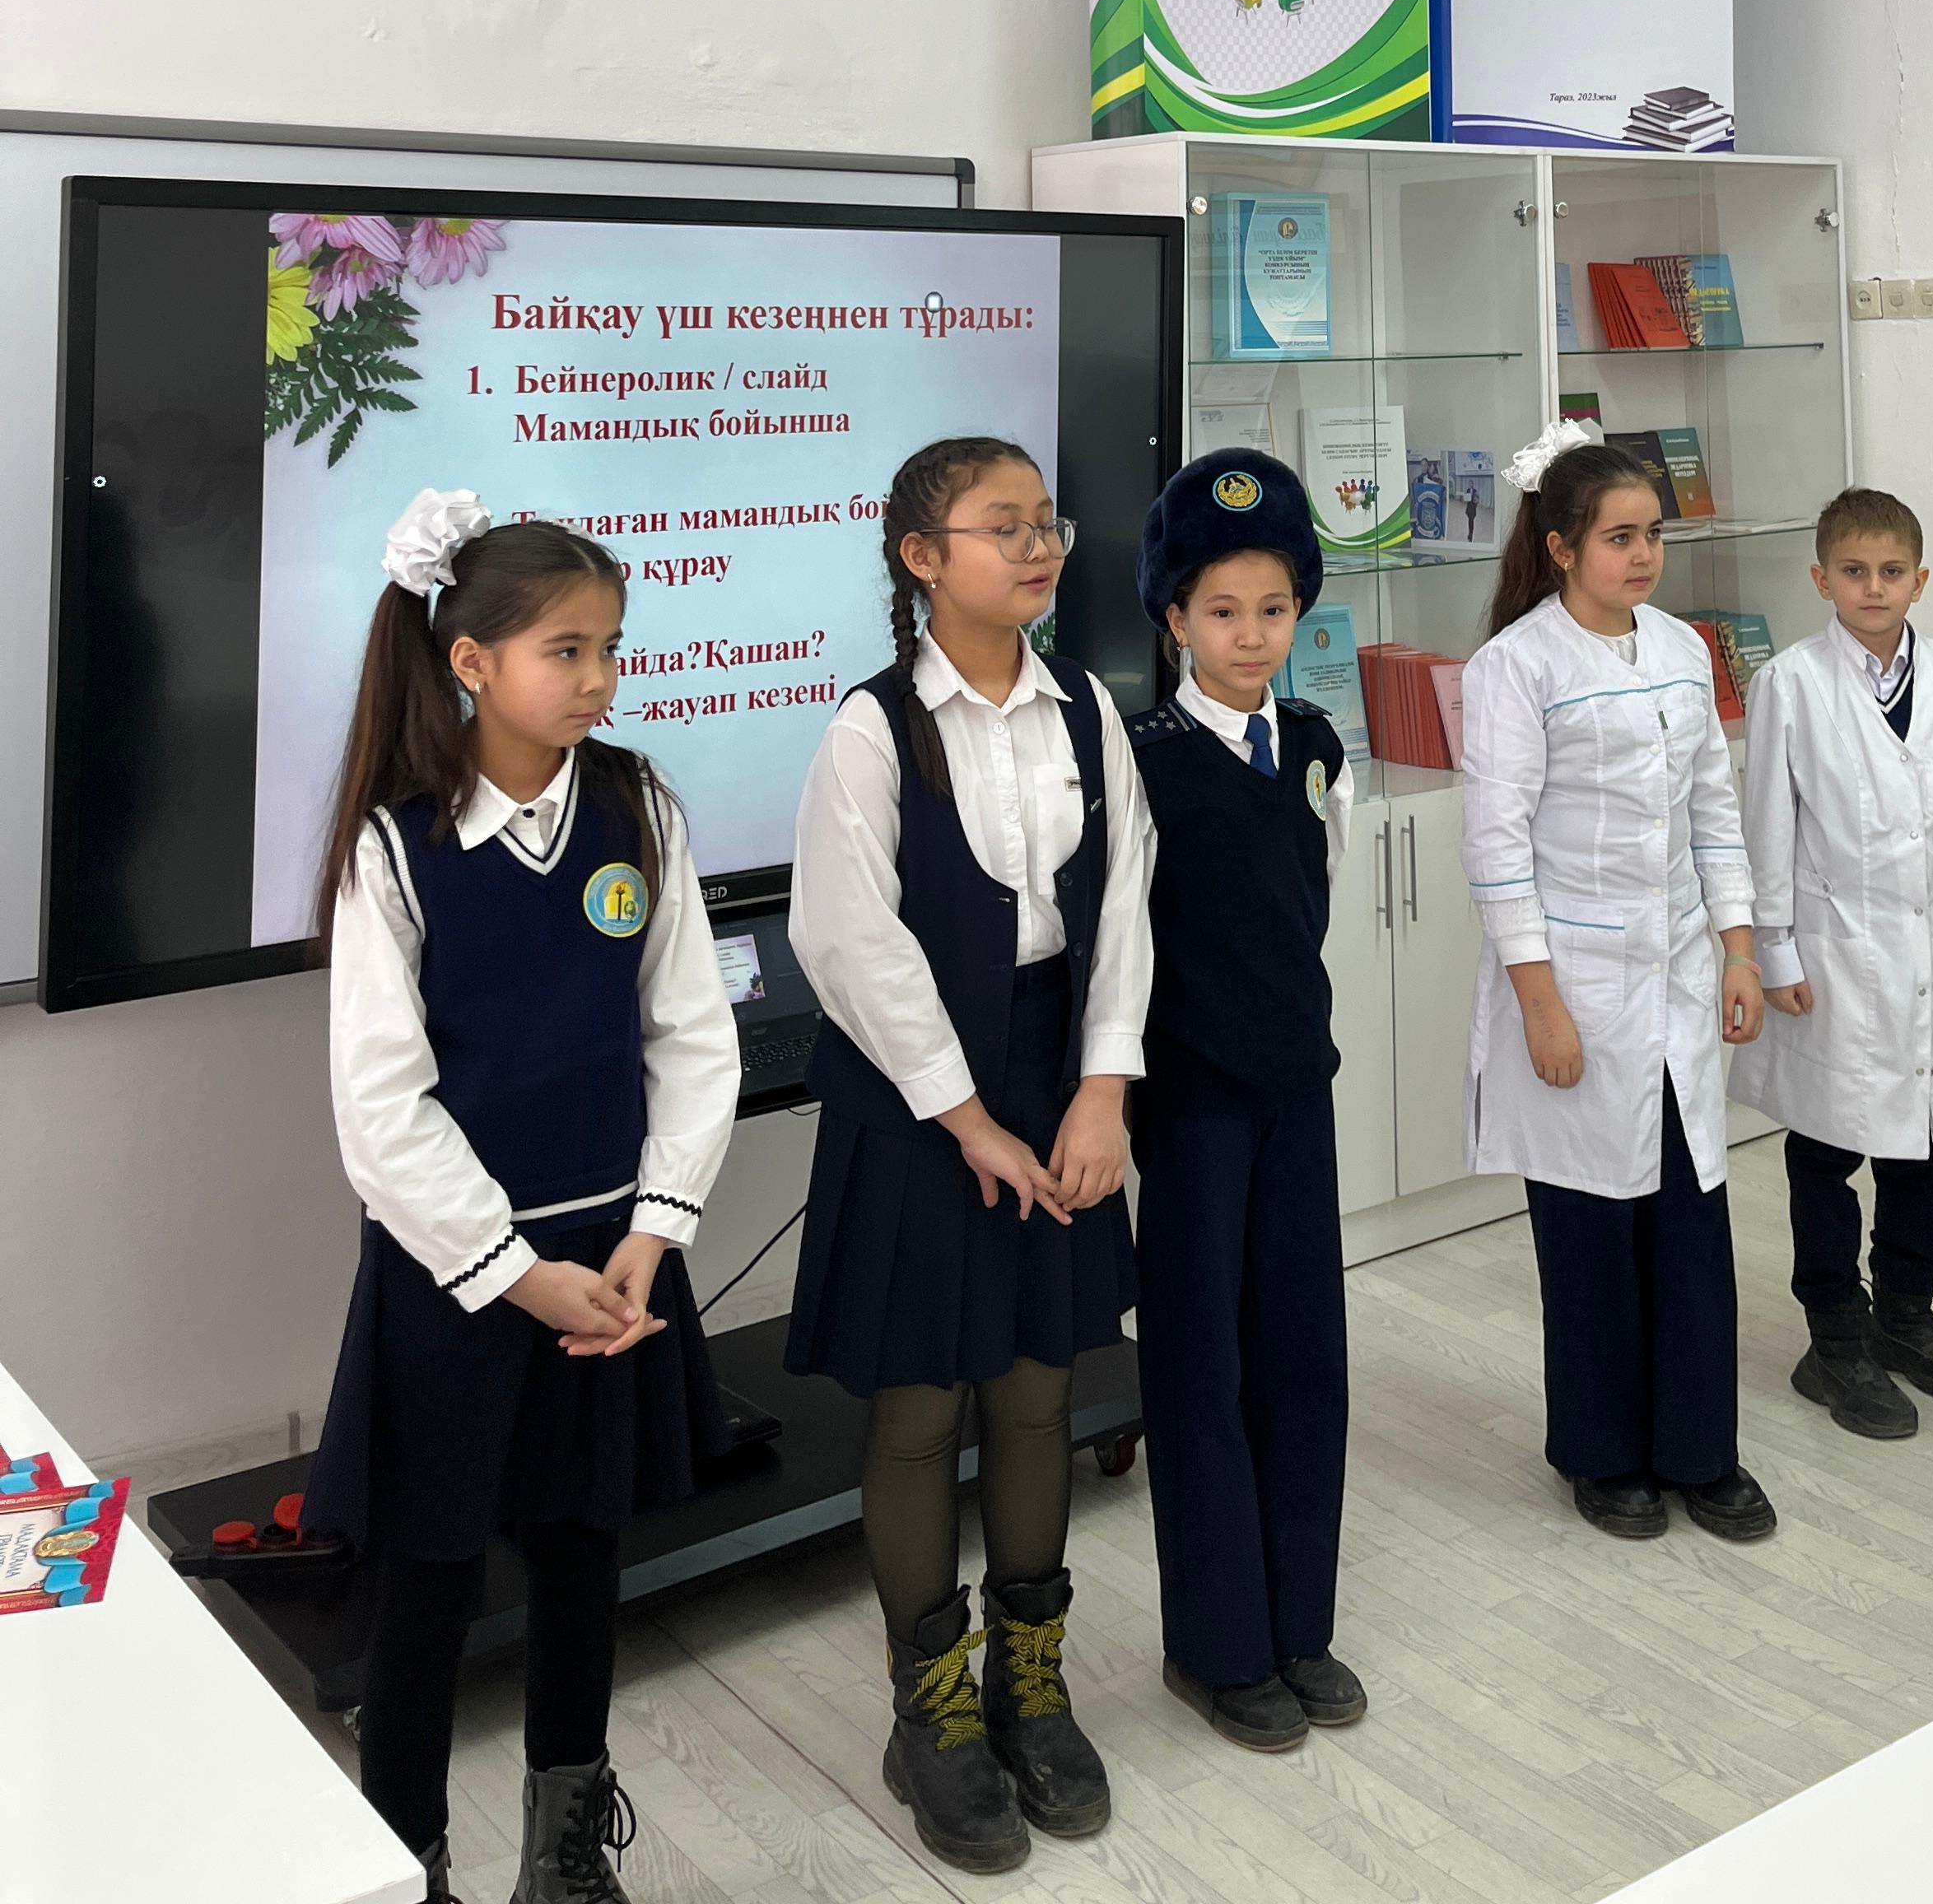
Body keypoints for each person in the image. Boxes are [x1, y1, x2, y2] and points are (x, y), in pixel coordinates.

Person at [306, 492, 740, 1904]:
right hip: (459, 1277)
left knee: (578, 1551)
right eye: (567, 649)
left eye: (611, 646)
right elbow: (383, 1109)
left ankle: (566, 1849)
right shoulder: (394, 845)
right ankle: (409, 1858)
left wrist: (651, 1234)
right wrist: (512, 1271)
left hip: (610, 1264)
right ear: (471, 660)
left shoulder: (637, 806)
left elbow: (693, 1035)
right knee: (429, 1578)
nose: (599, 677)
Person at [785, 436, 1150, 1875]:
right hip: (916, 1100)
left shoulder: (1087, 712)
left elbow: (1126, 906)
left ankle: (1029, 1688)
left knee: (1039, 1385)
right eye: (1003, 526)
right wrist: (964, 1115)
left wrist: (1103, 1089)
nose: (1038, 544)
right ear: (922, 557)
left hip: (1059, 1080)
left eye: (1045, 521)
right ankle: (930, 1710)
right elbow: (847, 940)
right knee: (922, 1404)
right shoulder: (873, 729)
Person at [1460, 425, 1777, 1545]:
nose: (1643, 556)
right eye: (1619, 538)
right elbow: (1497, 850)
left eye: (1652, 535)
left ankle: (1702, 1452)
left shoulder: (1684, 650)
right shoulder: (1517, 667)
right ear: (1560, 547)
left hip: (1679, 980)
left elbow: (1715, 812)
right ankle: (1603, 1456)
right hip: (1577, 988)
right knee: (1592, 1235)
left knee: (1690, 1225)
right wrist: (1540, 1004)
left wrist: (1739, 948)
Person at [1125, 449, 1364, 1755]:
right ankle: (1218, 1647)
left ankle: (1298, 1626)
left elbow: (1310, 908)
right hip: (1193, 1109)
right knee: (1202, 1371)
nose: (1251, 634)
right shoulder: (1142, 760)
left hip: (1295, 1096)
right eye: (1222, 611)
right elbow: (1121, 946)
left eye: (1274, 609)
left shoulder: (1315, 744)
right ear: (1175, 618)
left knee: (1303, 1360)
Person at [1735, 486, 1933, 1440]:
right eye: (1853, 571)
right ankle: (1834, 1337)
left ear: (1919, 580)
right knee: (1826, 1150)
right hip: (1832, 958)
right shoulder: (1790, 685)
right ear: (1821, 579)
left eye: (1891, 572)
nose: (1873, 587)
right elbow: (1767, 827)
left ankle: (1906, 1315)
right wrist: (1774, 949)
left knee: (1923, 1150)